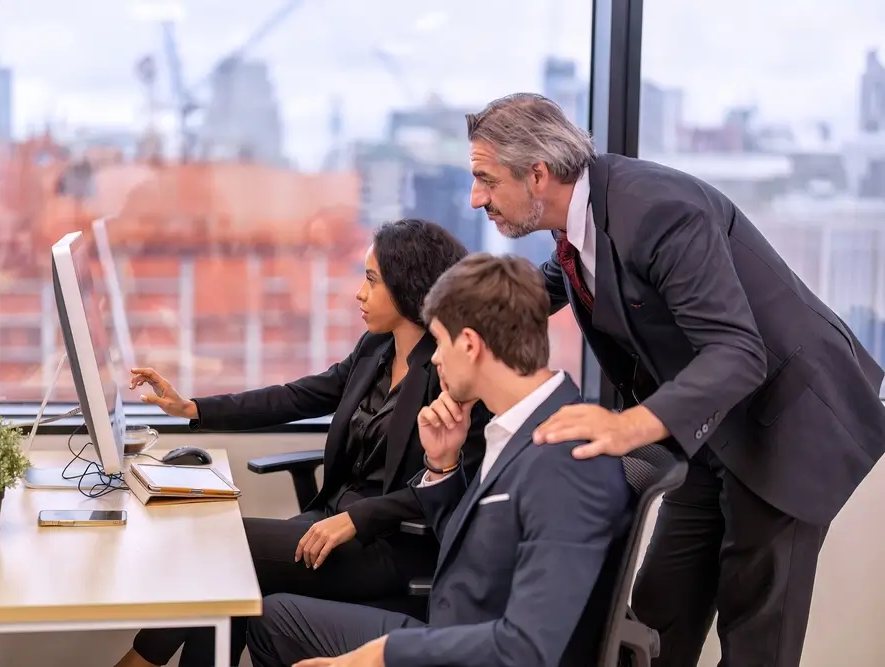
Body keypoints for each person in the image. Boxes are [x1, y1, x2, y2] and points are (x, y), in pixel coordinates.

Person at [462, 92, 885, 667]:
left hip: (786, 423)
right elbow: (553, 284)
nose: (476, 198)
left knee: (755, 638)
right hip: (710, 427)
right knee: (659, 617)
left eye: (485, 180)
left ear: (537, 174)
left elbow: (738, 352)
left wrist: (627, 426)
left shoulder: (656, 210)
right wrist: (456, 326)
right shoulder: (584, 221)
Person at [111, 219, 490, 667]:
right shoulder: (375, 349)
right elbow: (295, 397)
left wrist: (358, 518)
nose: (359, 293)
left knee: (220, 547)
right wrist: (193, 408)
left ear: (408, 286)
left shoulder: (452, 373)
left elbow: (455, 484)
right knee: (231, 577)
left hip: (389, 543)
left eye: (372, 281)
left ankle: (137, 662)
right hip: (329, 519)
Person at [244, 253, 634, 667]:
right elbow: (478, 546)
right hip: (455, 625)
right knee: (272, 619)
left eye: (440, 342)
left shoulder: (567, 459)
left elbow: (529, 647)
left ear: (469, 344)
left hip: (475, 647)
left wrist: (384, 653)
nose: (434, 358)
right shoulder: (516, 425)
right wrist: (442, 466)